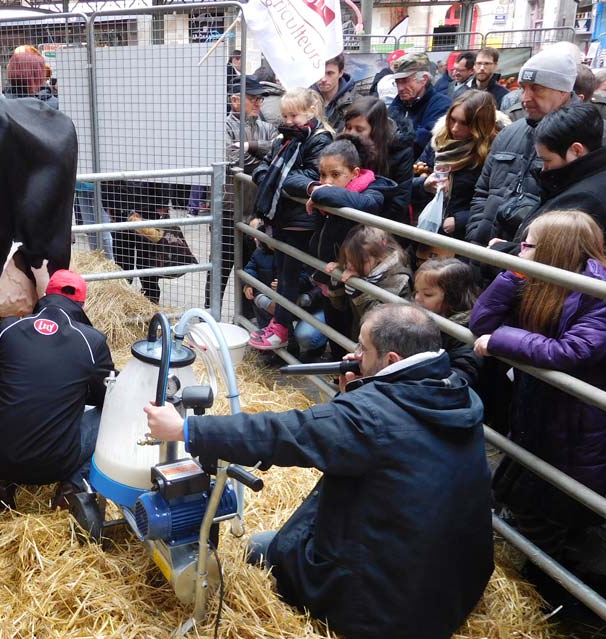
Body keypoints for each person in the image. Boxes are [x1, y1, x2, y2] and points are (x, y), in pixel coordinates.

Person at [145, 303, 494, 639]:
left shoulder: (370, 416)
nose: (354, 354)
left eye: (363, 347)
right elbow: (373, 441)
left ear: (392, 360)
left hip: (385, 612)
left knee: (261, 547)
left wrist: (185, 430)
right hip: (455, 588)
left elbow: (284, 433)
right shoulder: (455, 392)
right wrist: (359, 389)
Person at [470, 210, 606, 598]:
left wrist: (502, 341)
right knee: (529, 482)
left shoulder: (599, 293)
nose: (519, 249)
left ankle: (550, 584)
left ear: (554, 250)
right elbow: (480, 319)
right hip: (541, 405)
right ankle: (539, 560)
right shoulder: (542, 279)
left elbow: (573, 350)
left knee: (552, 498)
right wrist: (513, 272)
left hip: (576, 421)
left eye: (529, 244)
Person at [0, 270, 115, 511]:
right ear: (82, 303)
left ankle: (2, 479)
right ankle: (72, 485)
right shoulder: (92, 341)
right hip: (55, 465)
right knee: (114, 412)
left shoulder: (9, 327)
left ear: (45, 294)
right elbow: (107, 397)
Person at [466, 48, 606, 250]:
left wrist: (522, 251)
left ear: (564, 92)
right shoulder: (509, 133)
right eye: (523, 87)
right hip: (489, 255)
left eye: (537, 88)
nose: (525, 97)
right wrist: (477, 234)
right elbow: (483, 191)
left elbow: (599, 215)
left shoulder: (600, 136)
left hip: (540, 264)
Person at [486, 102, 606, 272]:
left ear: (576, 150)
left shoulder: (585, 200)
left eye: (547, 160)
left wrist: (500, 251)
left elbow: (553, 256)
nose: (544, 168)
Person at [248, 88, 334, 352]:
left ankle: (286, 329)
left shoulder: (321, 140)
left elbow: (311, 175)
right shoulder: (286, 137)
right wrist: (278, 178)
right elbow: (263, 168)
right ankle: (280, 326)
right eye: (285, 115)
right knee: (284, 274)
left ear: (311, 111)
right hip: (283, 217)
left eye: (294, 115)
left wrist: (280, 179)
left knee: (291, 276)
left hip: (302, 220)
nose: (288, 121)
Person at [306, 135, 398, 356]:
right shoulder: (328, 199)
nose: (327, 180)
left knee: (356, 334)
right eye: (322, 175)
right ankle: (341, 378)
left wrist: (321, 192)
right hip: (332, 277)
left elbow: (368, 205)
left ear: (355, 173)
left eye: (336, 175)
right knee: (335, 332)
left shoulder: (373, 191)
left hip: (359, 281)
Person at [214, 74, 278, 312]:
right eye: (252, 99)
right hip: (228, 210)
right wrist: (264, 160)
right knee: (220, 269)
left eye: (260, 99)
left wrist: (250, 148)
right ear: (235, 100)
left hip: (257, 213)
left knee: (252, 272)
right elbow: (232, 160)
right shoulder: (222, 126)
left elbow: (277, 152)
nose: (258, 104)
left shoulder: (267, 127)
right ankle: (211, 315)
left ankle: (246, 320)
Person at [413, 90, 503, 241]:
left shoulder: (493, 152)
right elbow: (407, 185)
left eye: (464, 123)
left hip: (464, 237)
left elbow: (497, 201)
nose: (455, 128)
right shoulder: (439, 142)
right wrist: (424, 185)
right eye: (452, 120)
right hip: (428, 228)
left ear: (480, 125)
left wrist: (460, 220)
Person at [326, 225, 412, 340]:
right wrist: (337, 277)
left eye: (360, 262)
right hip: (362, 339)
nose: (351, 266)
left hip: (385, 345)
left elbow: (380, 322)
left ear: (380, 256)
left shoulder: (397, 279)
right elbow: (340, 305)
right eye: (348, 260)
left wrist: (359, 292)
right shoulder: (361, 272)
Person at [342, 96, 414, 226]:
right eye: (348, 127)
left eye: (359, 129)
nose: (351, 133)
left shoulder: (401, 152)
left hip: (383, 226)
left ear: (376, 131)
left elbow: (399, 203)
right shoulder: (343, 147)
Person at [414, 258, 481, 385]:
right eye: (416, 291)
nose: (417, 298)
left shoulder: (467, 332)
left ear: (453, 297)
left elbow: (463, 374)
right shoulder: (427, 315)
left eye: (427, 294)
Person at [389, 52, 452, 158]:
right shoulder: (400, 101)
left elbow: (420, 142)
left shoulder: (441, 105)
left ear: (424, 80)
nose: (400, 88)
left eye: (405, 81)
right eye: (397, 82)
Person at [312, 53, 358, 132]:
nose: (323, 79)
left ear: (340, 73)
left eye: (330, 73)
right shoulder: (304, 101)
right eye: (319, 73)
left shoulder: (357, 104)